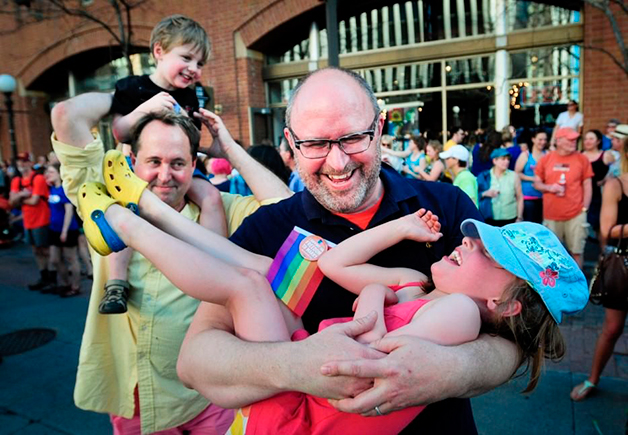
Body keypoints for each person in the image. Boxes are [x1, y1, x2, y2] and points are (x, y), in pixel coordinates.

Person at [75, 166, 587, 433]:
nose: (470, 241)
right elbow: (337, 266)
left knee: (247, 283)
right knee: (255, 270)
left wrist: (371, 304)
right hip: (306, 386)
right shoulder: (424, 287)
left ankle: (126, 222)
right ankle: (146, 215)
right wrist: (397, 238)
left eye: (490, 255)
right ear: (293, 146)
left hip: (309, 413)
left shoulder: (453, 306)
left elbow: (374, 362)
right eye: (317, 141)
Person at [177, 67, 520, 434]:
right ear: (292, 143)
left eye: (354, 138)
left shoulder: (447, 206)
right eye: (315, 144)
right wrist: (298, 365)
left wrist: (448, 370)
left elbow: (517, 340)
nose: (338, 162)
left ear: (380, 129)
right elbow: (194, 363)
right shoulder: (266, 228)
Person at [50, 92, 292, 434]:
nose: (165, 175)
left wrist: (231, 151)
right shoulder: (104, 196)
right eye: (154, 161)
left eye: (178, 163)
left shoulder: (220, 207)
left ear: (194, 165)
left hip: (209, 396)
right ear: (132, 161)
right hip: (138, 401)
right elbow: (65, 114)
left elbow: (285, 212)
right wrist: (136, 98)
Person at [101, 14, 227, 315]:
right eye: (186, 58)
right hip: (136, 170)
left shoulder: (190, 96)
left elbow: (191, 142)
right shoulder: (132, 88)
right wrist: (146, 108)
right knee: (125, 212)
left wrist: (212, 143)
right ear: (159, 51)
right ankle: (116, 283)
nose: (194, 69)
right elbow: (119, 131)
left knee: (210, 196)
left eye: (199, 64)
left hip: (181, 168)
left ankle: (220, 261)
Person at [570, 135, 628, 401]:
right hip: (623, 265)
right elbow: (607, 229)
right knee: (612, 328)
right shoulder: (617, 185)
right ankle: (593, 379)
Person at [534, 127, 593, 269]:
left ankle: (579, 288)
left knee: (577, 252)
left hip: (576, 214)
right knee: (552, 254)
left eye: (575, 139)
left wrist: (584, 208)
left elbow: (587, 184)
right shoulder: (546, 159)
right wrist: (549, 187)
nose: (574, 142)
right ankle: (557, 289)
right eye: (570, 139)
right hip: (552, 215)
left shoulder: (582, 159)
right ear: (559, 140)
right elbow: (536, 183)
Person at [9, 152, 52, 290]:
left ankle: (52, 278)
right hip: (28, 221)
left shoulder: (38, 178)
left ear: (29, 162)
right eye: (19, 161)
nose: (21, 164)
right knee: (36, 250)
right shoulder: (17, 181)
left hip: (41, 219)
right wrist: (23, 194)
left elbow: (35, 200)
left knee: (45, 250)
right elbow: (11, 202)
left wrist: (19, 197)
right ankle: (43, 277)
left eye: (24, 161)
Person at [43, 162, 82, 297]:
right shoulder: (51, 189)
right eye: (47, 172)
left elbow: (69, 212)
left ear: (59, 174)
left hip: (68, 229)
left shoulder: (65, 190)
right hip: (54, 228)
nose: (48, 175)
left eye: (51, 172)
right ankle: (65, 283)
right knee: (54, 259)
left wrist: (64, 231)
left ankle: (75, 286)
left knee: (71, 257)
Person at [478, 148, 523, 226]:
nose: (507, 162)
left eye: (508, 159)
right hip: (489, 218)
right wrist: (485, 193)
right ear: (494, 161)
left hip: (510, 218)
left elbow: (520, 197)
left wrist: (519, 217)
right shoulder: (485, 176)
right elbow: (476, 194)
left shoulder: (513, 176)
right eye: (503, 159)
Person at [582, 129, 609, 242]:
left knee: (601, 227)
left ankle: (603, 256)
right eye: (586, 139)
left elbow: (617, 171)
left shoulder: (606, 155)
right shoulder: (579, 156)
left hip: (600, 197)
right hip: (582, 196)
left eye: (591, 139)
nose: (588, 141)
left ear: (598, 141)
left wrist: (605, 180)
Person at [515, 129, 548, 223]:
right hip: (528, 197)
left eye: (545, 140)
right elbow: (517, 173)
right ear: (533, 139)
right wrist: (533, 179)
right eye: (540, 139)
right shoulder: (525, 155)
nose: (543, 142)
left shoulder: (548, 155)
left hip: (544, 197)